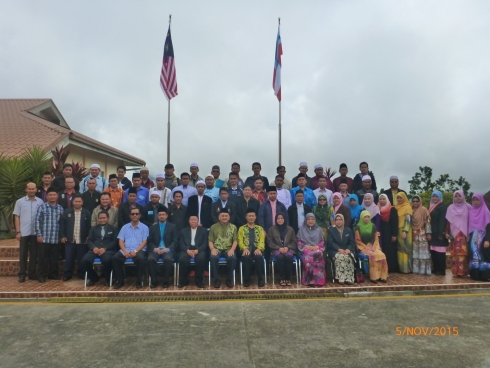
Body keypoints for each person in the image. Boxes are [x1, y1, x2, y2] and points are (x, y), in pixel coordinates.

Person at [13, 182, 44, 282]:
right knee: (23, 253)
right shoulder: (20, 202)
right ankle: (22, 274)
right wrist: (18, 232)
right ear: (26, 190)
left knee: (34, 254)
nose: (31, 190)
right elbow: (17, 216)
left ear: (36, 190)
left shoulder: (40, 201)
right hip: (24, 232)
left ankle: (32, 273)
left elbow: (42, 218)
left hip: (35, 232)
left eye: (33, 189)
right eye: (29, 189)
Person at [112, 208, 149, 289]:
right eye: (132, 214)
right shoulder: (124, 227)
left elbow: (144, 242)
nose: (134, 215)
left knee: (140, 259)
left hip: (139, 250)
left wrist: (135, 251)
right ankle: (120, 281)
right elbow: (121, 241)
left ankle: (139, 281)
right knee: (115, 258)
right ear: (130, 216)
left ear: (140, 215)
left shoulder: (144, 227)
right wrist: (125, 251)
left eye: (136, 214)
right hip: (125, 249)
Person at [59, 194, 91, 281]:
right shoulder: (67, 212)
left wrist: (89, 236)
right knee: (69, 259)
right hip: (70, 240)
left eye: (79, 201)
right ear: (72, 202)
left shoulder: (87, 213)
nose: (77, 203)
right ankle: (67, 274)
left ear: (82, 202)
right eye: (76, 201)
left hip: (82, 240)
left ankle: (81, 274)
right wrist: (62, 236)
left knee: (81, 259)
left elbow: (90, 226)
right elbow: (62, 225)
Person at [82, 211, 118, 286]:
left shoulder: (113, 229)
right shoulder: (93, 228)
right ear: (98, 219)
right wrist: (94, 248)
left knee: (107, 260)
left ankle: (107, 279)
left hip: (107, 251)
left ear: (108, 218)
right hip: (94, 250)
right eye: (100, 218)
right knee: (84, 261)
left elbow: (114, 241)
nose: (102, 220)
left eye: (104, 218)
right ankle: (94, 278)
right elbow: (90, 240)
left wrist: (105, 248)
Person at [35, 187, 64, 282]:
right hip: (44, 238)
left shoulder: (60, 209)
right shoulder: (42, 207)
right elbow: (37, 222)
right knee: (43, 258)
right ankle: (42, 275)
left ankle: (53, 275)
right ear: (46, 196)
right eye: (50, 195)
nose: (52, 196)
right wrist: (39, 235)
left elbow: (62, 224)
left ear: (57, 196)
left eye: (54, 195)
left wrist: (61, 236)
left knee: (54, 258)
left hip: (55, 239)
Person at [147, 207, 178, 288]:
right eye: (160, 215)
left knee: (168, 259)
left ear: (167, 216)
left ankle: (166, 281)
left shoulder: (173, 227)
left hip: (167, 249)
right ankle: (154, 281)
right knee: (150, 259)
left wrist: (168, 248)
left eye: (163, 215)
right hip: (156, 250)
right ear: (157, 216)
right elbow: (149, 241)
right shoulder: (152, 227)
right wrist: (154, 248)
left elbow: (175, 241)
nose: (161, 216)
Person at [355, 210, 388, 283]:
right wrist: (366, 247)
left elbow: (376, 237)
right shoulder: (358, 226)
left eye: (368, 217)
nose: (366, 218)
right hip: (363, 247)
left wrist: (374, 246)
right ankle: (374, 277)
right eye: (365, 217)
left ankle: (382, 276)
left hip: (373, 246)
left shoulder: (373, 226)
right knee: (372, 255)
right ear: (361, 218)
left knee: (382, 255)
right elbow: (357, 240)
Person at [209, 208, 238, 288]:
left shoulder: (233, 227)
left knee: (232, 258)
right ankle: (216, 279)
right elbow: (210, 240)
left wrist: (232, 250)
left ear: (229, 217)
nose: (224, 217)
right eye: (222, 216)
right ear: (219, 217)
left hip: (229, 248)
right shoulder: (213, 227)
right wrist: (212, 249)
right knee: (213, 257)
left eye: (226, 216)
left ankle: (229, 279)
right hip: (217, 248)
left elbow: (235, 241)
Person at [446, 190, 472, 277]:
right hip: (454, 235)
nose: (458, 198)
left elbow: (472, 220)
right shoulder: (450, 208)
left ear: (463, 196)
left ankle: (463, 272)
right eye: (456, 196)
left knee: (463, 254)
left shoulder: (468, 207)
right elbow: (448, 222)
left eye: (459, 196)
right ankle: (456, 272)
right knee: (455, 254)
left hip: (464, 234)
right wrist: (447, 232)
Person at [178, 215, 208, 288]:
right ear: (189, 221)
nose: (193, 221)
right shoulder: (183, 231)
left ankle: (199, 281)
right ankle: (184, 281)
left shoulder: (204, 231)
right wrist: (187, 250)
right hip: (187, 249)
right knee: (182, 259)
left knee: (201, 259)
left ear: (198, 221)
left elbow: (205, 243)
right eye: (191, 220)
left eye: (195, 220)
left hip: (199, 249)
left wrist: (198, 250)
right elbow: (181, 243)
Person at [238, 209, 266, 287]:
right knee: (246, 257)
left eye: (252, 216)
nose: (251, 217)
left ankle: (260, 279)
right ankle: (247, 279)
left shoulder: (260, 228)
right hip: (245, 248)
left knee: (258, 257)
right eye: (249, 216)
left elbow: (262, 241)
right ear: (246, 217)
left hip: (257, 248)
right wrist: (244, 248)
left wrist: (259, 249)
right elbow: (240, 241)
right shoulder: (241, 228)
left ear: (255, 217)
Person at [267, 213, 297, 286]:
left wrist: (288, 247)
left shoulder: (290, 229)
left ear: (284, 219)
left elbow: (294, 242)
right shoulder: (272, 229)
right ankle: (282, 278)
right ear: (276, 220)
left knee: (289, 258)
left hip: (288, 249)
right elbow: (269, 242)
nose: (280, 220)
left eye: (282, 218)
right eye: (278, 218)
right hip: (276, 250)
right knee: (280, 258)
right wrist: (278, 248)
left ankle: (288, 278)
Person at [327, 214, 356, 284]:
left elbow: (352, 242)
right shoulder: (331, 230)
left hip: (347, 250)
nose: (338, 221)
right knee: (340, 257)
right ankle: (341, 278)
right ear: (335, 221)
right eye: (337, 220)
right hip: (334, 251)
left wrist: (348, 249)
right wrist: (339, 249)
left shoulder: (348, 230)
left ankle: (349, 278)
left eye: (340, 220)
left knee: (347, 258)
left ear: (343, 221)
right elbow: (330, 243)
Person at [297, 213, 325, 286]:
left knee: (319, 253)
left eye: (312, 219)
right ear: (306, 220)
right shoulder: (301, 230)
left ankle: (319, 280)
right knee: (309, 255)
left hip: (316, 248)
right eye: (308, 219)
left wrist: (317, 247)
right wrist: (306, 246)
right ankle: (310, 280)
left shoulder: (319, 230)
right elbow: (298, 242)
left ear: (315, 220)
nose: (310, 221)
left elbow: (323, 241)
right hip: (306, 249)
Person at [468, 193, 490, 281]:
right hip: (473, 238)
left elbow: (489, 227)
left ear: (481, 200)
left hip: (483, 237)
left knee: (483, 256)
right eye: (474, 200)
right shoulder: (471, 211)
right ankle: (475, 275)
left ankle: (484, 275)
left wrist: (488, 240)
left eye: (477, 200)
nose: (475, 202)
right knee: (474, 255)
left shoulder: (486, 211)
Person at [428, 190, 448, 276]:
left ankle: (441, 270)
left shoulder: (442, 207)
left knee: (440, 252)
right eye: (433, 196)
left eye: (436, 196)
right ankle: (436, 269)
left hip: (439, 234)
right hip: (433, 233)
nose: (435, 198)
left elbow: (442, 221)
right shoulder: (431, 207)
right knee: (433, 252)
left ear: (440, 197)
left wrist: (441, 234)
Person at [411, 195, 432, 275]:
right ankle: (416, 270)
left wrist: (428, 233)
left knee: (423, 253)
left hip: (422, 233)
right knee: (415, 252)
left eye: (417, 201)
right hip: (414, 234)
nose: (415, 203)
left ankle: (424, 271)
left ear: (420, 202)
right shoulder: (410, 210)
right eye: (414, 201)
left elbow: (428, 222)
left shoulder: (424, 210)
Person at [378, 194, 399, 273]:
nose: (382, 201)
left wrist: (394, 234)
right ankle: (383, 267)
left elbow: (395, 223)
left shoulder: (392, 209)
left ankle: (391, 268)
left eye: (384, 199)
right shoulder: (377, 208)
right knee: (383, 249)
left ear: (387, 200)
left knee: (390, 250)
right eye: (381, 199)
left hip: (389, 232)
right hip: (381, 232)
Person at [395, 192, 413, 274]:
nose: (399, 199)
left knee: (407, 247)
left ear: (404, 198)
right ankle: (402, 268)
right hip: (399, 229)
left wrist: (405, 231)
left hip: (406, 230)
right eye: (398, 198)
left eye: (400, 198)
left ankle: (408, 269)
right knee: (400, 248)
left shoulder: (407, 207)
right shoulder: (396, 208)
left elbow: (408, 220)